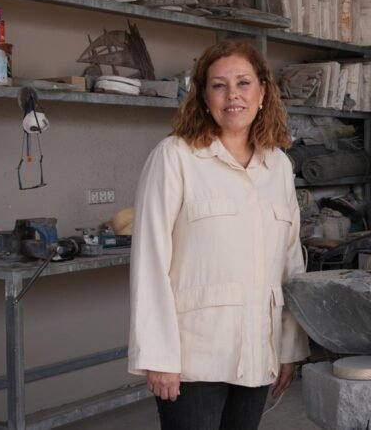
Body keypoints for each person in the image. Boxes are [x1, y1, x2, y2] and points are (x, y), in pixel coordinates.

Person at [128, 39, 310, 430]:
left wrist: (288, 348)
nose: (233, 96)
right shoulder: (175, 157)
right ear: (203, 96)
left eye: (243, 83)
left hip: (259, 350)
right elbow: (149, 262)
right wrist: (159, 357)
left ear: (263, 92)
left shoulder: (278, 166)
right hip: (195, 356)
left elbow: (291, 264)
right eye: (219, 85)